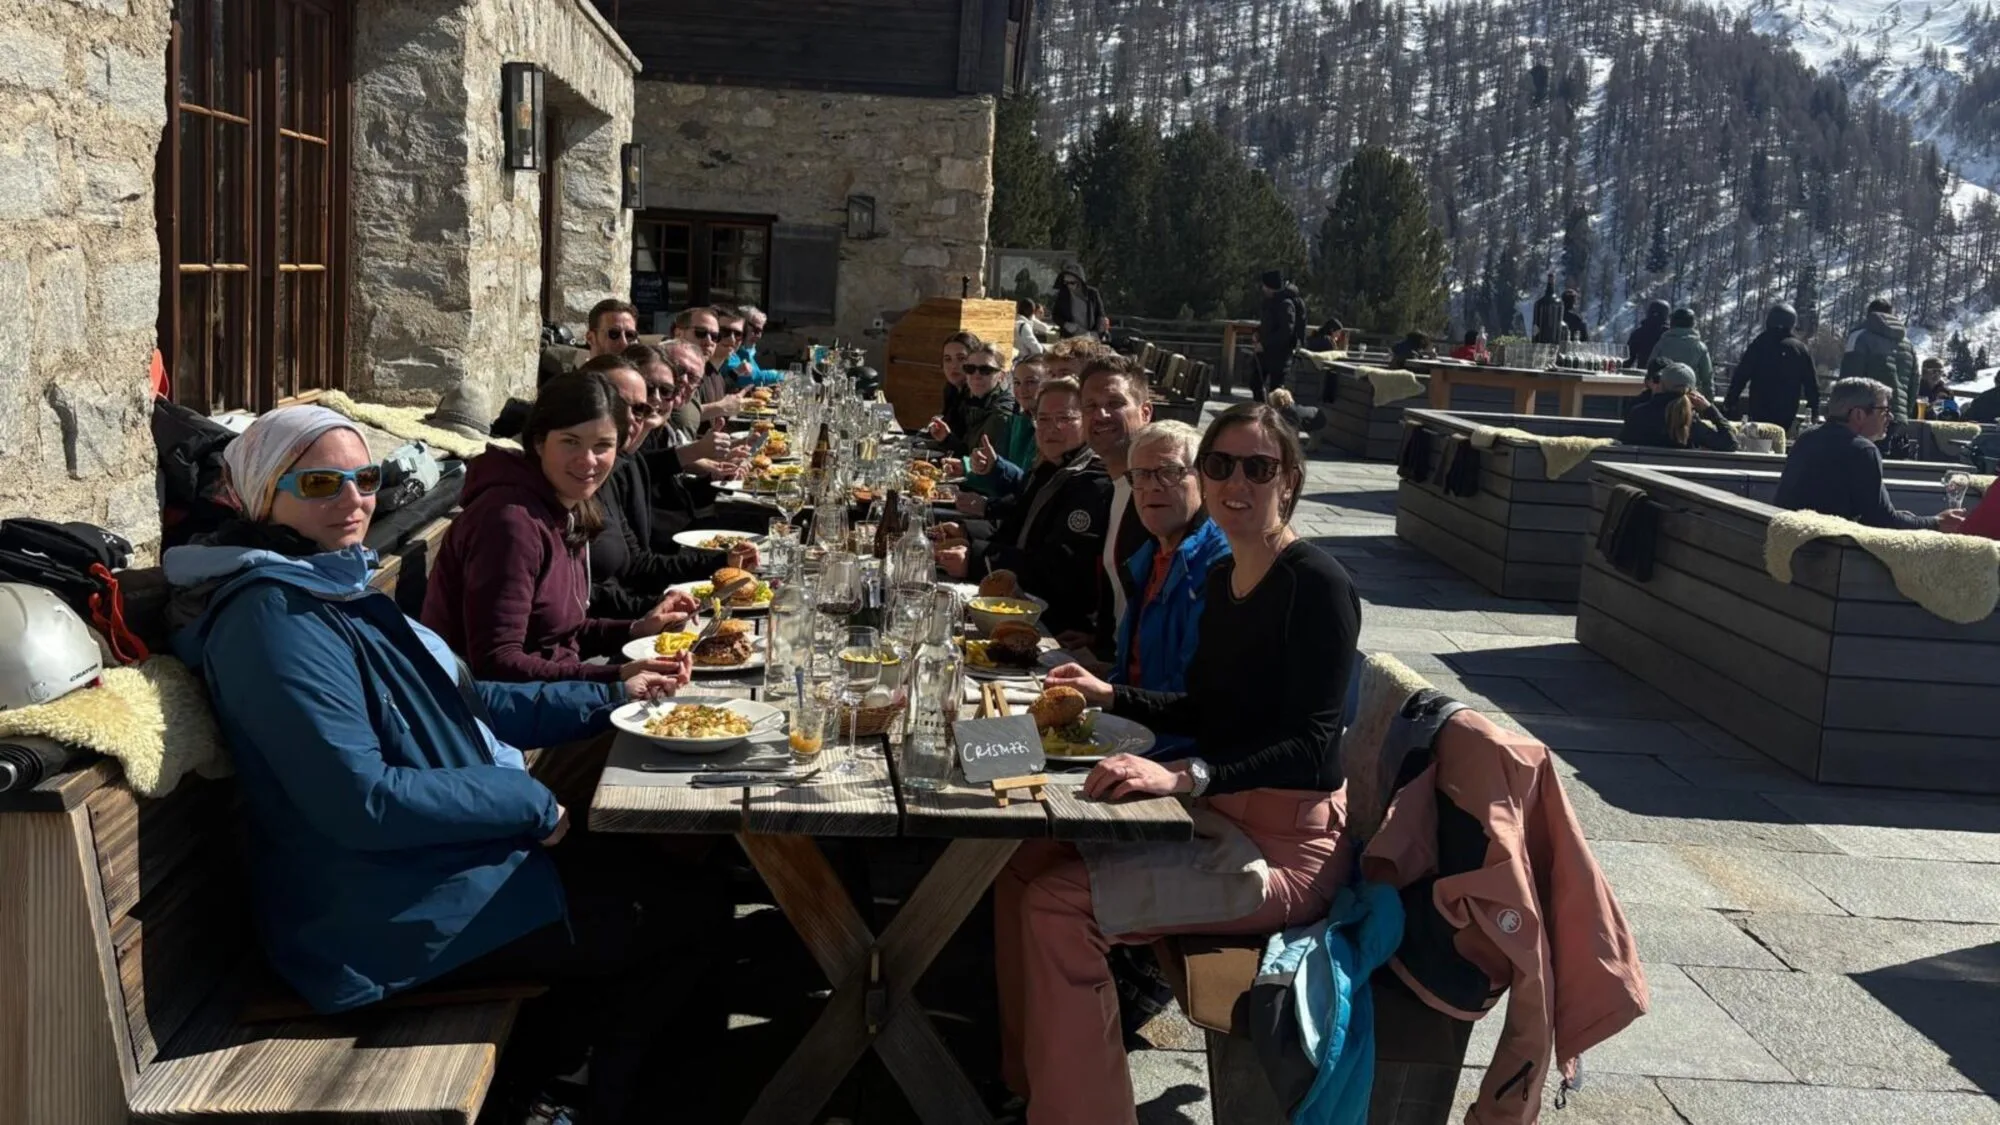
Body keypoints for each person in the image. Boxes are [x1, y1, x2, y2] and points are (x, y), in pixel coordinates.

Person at [161, 406, 706, 1123]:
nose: (354, 500)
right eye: (322, 482)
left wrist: (612, 692)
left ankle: (548, 1075)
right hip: (376, 920)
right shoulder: (274, 619)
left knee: (669, 881)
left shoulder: (331, 587)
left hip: (435, 870)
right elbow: (361, 801)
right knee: (677, 917)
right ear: (266, 493)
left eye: (367, 478)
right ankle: (563, 1090)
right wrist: (527, 801)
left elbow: (473, 704)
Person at [1004, 402, 1362, 1125]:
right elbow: (1201, 706)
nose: (1237, 482)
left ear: (1288, 481)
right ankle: (1030, 1084)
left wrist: (1185, 776)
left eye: (1257, 467)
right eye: (1221, 464)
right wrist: (1111, 692)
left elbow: (1315, 742)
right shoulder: (1231, 578)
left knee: (1055, 907)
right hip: (1217, 818)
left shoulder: (1315, 585)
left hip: (1282, 852)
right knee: (1023, 858)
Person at [423, 372, 698, 683]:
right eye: (571, 441)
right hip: (490, 714)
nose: (588, 460)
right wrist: (616, 677)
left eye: (603, 445)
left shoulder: (567, 505)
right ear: (539, 442)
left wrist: (640, 627)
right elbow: (496, 663)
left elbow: (562, 633)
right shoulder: (508, 522)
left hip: (550, 693)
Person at [934, 378, 1112, 635]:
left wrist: (975, 559)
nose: (1052, 428)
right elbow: (1014, 529)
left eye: (1064, 418)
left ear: (1087, 421)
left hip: (1053, 624)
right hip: (1018, 603)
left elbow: (1057, 572)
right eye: (1044, 419)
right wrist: (965, 533)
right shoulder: (1051, 467)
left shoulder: (1092, 482)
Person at [585, 355, 757, 617]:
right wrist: (648, 612)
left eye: (665, 391)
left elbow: (636, 563)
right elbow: (589, 594)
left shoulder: (625, 464)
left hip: (634, 607)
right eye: (618, 406)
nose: (633, 418)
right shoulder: (586, 479)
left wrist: (724, 560)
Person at [1109, 420, 1232, 704]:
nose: (1152, 487)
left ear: (1203, 481)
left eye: (1169, 472)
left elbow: (1193, 695)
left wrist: (1110, 696)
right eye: (1140, 475)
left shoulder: (1220, 565)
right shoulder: (1147, 556)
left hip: (1174, 738)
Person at [1775, 378, 1967, 531]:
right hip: (1830, 557)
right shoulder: (1862, 450)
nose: (1890, 417)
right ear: (1858, 414)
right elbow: (1882, 521)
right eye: (1884, 410)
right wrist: (1936, 522)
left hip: (1795, 541)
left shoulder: (1807, 437)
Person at [1080, 357, 1157, 654]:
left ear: (1145, 412)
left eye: (1115, 403)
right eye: (1090, 405)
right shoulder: (1114, 487)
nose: (1100, 415)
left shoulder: (1155, 496)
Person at [1724, 303, 1821, 428]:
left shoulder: (1759, 343)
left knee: (1758, 441)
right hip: (1787, 410)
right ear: (1792, 323)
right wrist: (1814, 410)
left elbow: (1741, 375)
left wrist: (1730, 401)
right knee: (1779, 439)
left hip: (1759, 407)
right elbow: (1811, 384)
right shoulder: (1800, 349)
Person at [1618, 362, 1737, 451]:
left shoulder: (1638, 414)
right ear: (1692, 391)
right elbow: (1730, 443)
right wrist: (1710, 410)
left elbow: (1622, 444)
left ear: (1660, 384)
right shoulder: (1689, 422)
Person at [1840, 298, 1919, 419]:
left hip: (1864, 415)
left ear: (1869, 314)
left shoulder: (1859, 336)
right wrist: (1904, 413)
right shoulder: (1908, 344)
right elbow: (1914, 383)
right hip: (1897, 416)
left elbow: (1849, 378)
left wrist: (1842, 411)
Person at [1253, 270, 1310, 402]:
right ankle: (1262, 413)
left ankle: (1273, 418)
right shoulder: (1270, 301)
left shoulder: (1286, 305)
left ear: (1271, 287)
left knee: (1276, 391)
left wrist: (1264, 344)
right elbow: (1267, 324)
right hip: (1265, 353)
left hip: (1280, 355)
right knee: (1255, 383)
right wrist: (1257, 333)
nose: (1263, 288)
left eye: (1265, 286)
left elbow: (1285, 332)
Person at [956, 344, 1019, 458]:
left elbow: (986, 462)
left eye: (985, 370)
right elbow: (970, 451)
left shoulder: (1002, 413)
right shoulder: (974, 402)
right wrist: (946, 438)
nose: (976, 375)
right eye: (970, 369)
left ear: (1001, 376)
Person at [926, 331, 981, 449]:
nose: (953, 366)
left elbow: (970, 448)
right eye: (947, 359)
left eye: (961, 358)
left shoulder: (977, 394)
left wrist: (946, 438)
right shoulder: (951, 389)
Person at [1647, 307, 1716, 397]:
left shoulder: (1662, 343)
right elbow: (1707, 377)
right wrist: (1709, 402)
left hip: (1664, 396)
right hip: (1689, 397)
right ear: (1693, 324)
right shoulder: (1699, 347)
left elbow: (1650, 368)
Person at [723, 304, 785, 388]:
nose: (759, 336)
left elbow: (757, 377)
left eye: (760, 331)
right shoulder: (727, 350)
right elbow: (748, 378)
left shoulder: (746, 352)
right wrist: (781, 376)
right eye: (756, 330)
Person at [1051, 263, 1109, 340]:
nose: (1069, 286)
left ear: (1080, 281)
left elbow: (1101, 314)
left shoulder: (1092, 293)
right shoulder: (1063, 294)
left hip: (1090, 336)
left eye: (1072, 283)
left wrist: (1097, 332)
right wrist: (1066, 324)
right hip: (1070, 337)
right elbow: (1055, 315)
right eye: (1066, 282)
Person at [1626, 299, 1671, 369]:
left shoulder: (1638, 333)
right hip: (1668, 376)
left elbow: (1627, 359)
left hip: (1643, 375)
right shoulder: (1671, 334)